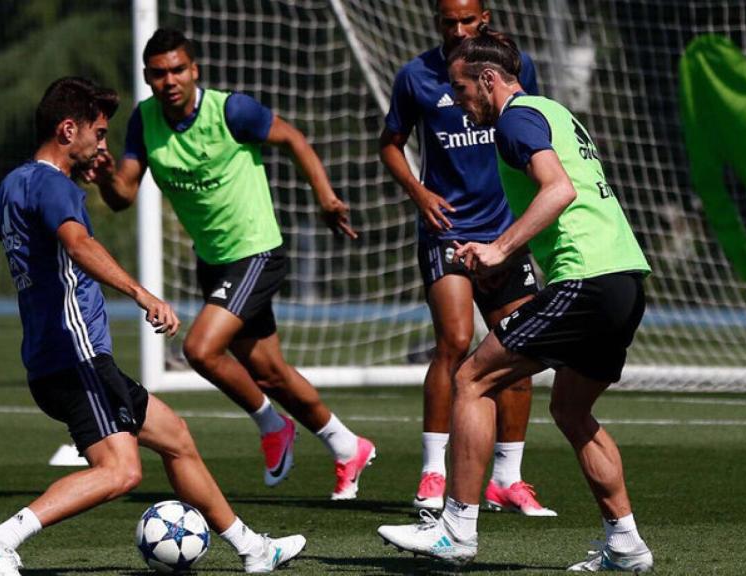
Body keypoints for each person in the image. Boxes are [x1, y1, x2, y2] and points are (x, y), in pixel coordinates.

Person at [0, 77, 305, 576]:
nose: (104, 145)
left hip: (56, 360)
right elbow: (79, 246)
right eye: (100, 132)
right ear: (69, 130)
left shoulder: (14, 183)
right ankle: (0, 540)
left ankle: (252, 549)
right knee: (121, 470)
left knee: (176, 437)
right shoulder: (53, 186)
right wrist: (142, 294)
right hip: (78, 358)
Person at [377, 30, 655, 572]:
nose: (458, 102)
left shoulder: (514, 119)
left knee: (472, 378)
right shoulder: (553, 110)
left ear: (488, 80)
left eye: (461, 90)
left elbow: (558, 190)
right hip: (625, 281)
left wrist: (501, 249)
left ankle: (455, 529)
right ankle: (626, 544)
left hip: (586, 279)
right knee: (572, 410)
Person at [91, 28, 375, 500]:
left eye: (178, 69)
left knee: (200, 350)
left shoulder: (231, 110)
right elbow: (123, 196)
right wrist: (103, 177)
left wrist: (325, 197)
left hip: (256, 252)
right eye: (159, 73)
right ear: (147, 78)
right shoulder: (144, 121)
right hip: (214, 263)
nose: (170, 80)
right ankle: (348, 447)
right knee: (269, 373)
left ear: (194, 69)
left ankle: (271, 426)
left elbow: (293, 138)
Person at [380, 0, 553, 515]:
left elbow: (534, 135)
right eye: (446, 22)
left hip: (505, 233)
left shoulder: (516, 71)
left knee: (518, 351)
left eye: (466, 20)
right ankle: (434, 473)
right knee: (455, 341)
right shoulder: (415, 76)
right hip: (447, 232)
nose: (456, 30)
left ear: (486, 17)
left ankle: (508, 478)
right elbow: (389, 143)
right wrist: (419, 192)